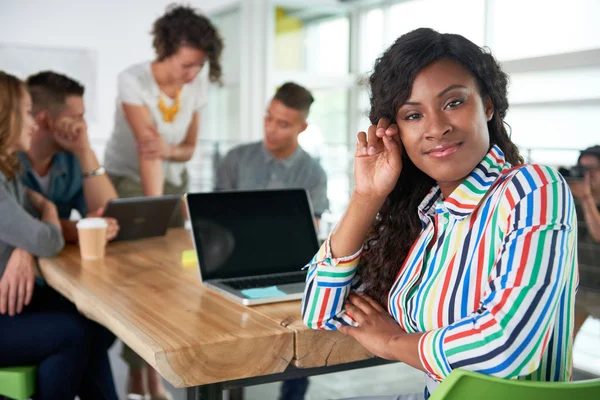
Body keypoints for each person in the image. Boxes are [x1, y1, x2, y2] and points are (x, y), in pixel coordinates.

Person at [302, 28, 577, 399]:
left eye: (453, 103)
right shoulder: (430, 216)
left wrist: (393, 341)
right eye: (413, 115)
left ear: (488, 105)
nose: (436, 128)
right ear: (395, 132)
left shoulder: (533, 189)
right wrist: (367, 196)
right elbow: (321, 311)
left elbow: (506, 348)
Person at [103, 4, 223, 399]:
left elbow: (185, 150)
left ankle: (148, 371)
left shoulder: (196, 84)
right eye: (185, 65)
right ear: (165, 49)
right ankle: (146, 377)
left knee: (168, 276)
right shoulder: (132, 80)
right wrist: (154, 211)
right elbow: (146, 151)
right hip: (129, 180)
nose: (191, 75)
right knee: (139, 277)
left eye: (198, 66)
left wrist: (171, 156)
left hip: (174, 179)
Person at [0, 70, 118, 399]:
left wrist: (26, 243)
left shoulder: (7, 168)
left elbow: (30, 229)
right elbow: (45, 238)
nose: (32, 123)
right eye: (24, 112)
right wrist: (49, 213)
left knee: (90, 323)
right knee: (70, 335)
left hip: (10, 297)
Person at [216, 82, 328, 400]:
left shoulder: (313, 173)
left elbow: (310, 230)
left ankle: (292, 395)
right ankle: (232, 391)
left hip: (289, 265)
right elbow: (215, 221)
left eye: (283, 124)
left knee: (307, 326)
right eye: (269, 118)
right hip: (234, 263)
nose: (271, 129)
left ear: (301, 127)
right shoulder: (236, 159)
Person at [19, 71, 119, 243]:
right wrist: (76, 230)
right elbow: (21, 228)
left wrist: (85, 151)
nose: (84, 125)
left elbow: (111, 219)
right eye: (77, 117)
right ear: (46, 120)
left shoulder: (73, 158)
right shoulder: (7, 159)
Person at [567, 145, 600, 339]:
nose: (588, 175)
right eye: (582, 169)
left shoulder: (584, 198)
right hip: (580, 286)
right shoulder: (574, 199)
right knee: (565, 342)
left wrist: (586, 197)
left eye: (593, 169)